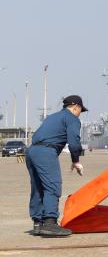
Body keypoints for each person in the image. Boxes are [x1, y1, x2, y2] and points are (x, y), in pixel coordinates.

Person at [25, 95, 87, 237]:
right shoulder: (72, 118)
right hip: (46, 152)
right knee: (52, 185)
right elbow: (74, 141)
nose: (80, 114)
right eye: (80, 111)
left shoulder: (52, 117)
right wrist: (76, 160)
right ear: (75, 107)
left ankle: (38, 223)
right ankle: (50, 223)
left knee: (38, 187)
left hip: (32, 151)